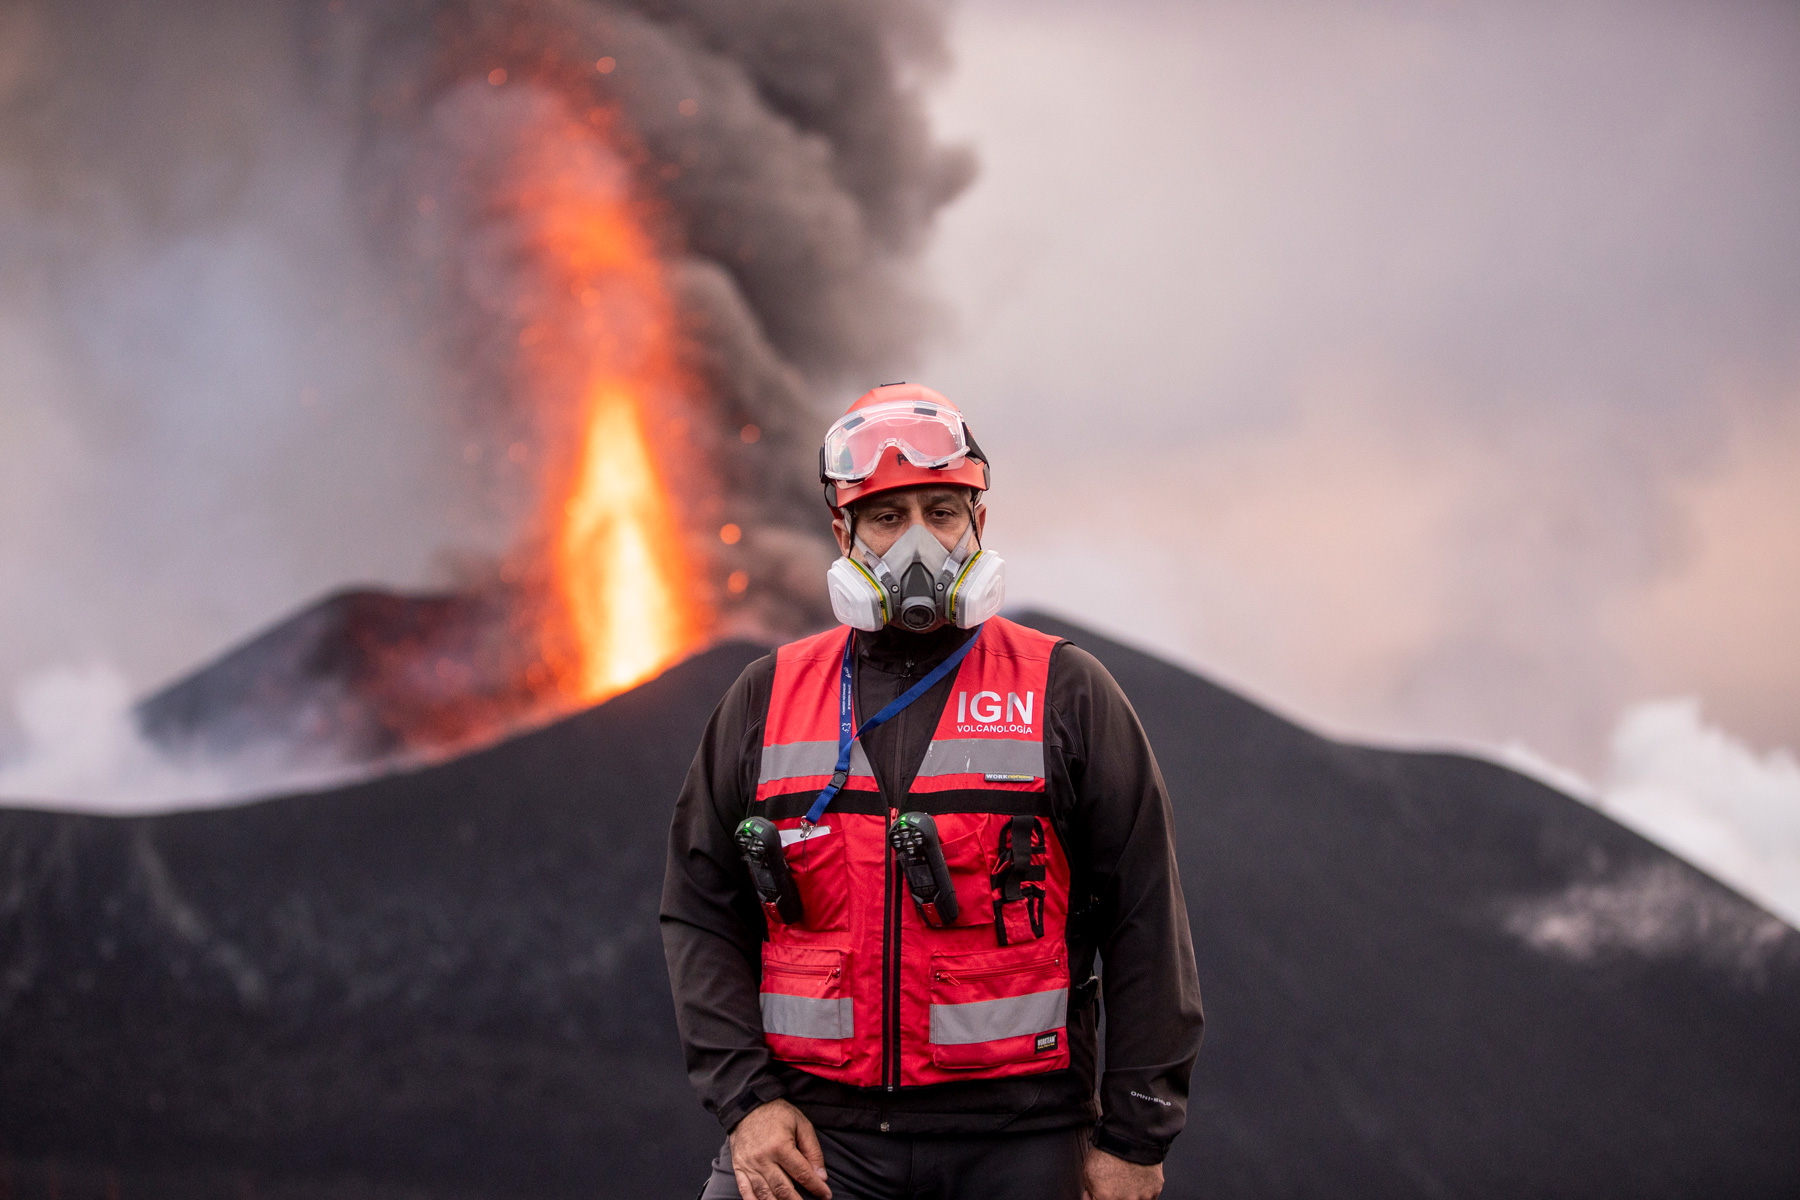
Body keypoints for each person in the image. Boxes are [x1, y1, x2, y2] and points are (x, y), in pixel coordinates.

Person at [662, 384, 1203, 1200]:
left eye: (942, 512)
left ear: (978, 522)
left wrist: (1134, 1137)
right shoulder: (764, 698)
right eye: (887, 516)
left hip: (1020, 1143)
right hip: (814, 1142)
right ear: (842, 531)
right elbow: (701, 907)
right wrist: (747, 1104)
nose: (918, 540)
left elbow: (1144, 915)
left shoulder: (1065, 692)